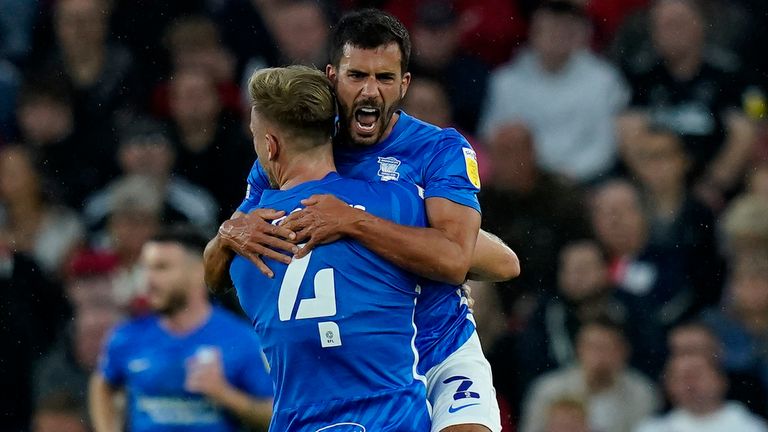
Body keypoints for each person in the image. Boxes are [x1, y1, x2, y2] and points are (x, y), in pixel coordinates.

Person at [205, 9, 518, 432]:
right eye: (357, 76)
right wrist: (227, 233)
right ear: (333, 76)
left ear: (404, 84)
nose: (370, 91)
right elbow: (226, 256)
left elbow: (473, 260)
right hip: (361, 367)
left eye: (385, 79)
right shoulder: (302, 144)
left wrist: (354, 222)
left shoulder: (436, 151)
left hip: (442, 348)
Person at [230, 64, 433, 430]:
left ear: (270, 146)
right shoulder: (396, 203)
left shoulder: (246, 249)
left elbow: (216, 270)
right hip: (391, 418)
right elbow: (486, 259)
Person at [88, 225, 272, 432]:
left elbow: (273, 415)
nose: (148, 279)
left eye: (161, 268)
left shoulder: (241, 339)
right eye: (145, 268)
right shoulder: (127, 336)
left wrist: (226, 395)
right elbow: (102, 385)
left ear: (198, 273)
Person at [519, 317, 659, 432]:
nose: (598, 356)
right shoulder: (548, 389)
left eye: (606, 348)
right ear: (578, 349)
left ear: (623, 352)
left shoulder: (641, 393)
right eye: (592, 347)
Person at [636, 354, 768, 432]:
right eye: (680, 377)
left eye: (696, 374)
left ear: (721, 380)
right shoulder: (652, 428)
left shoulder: (751, 426)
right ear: (668, 386)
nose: (689, 383)